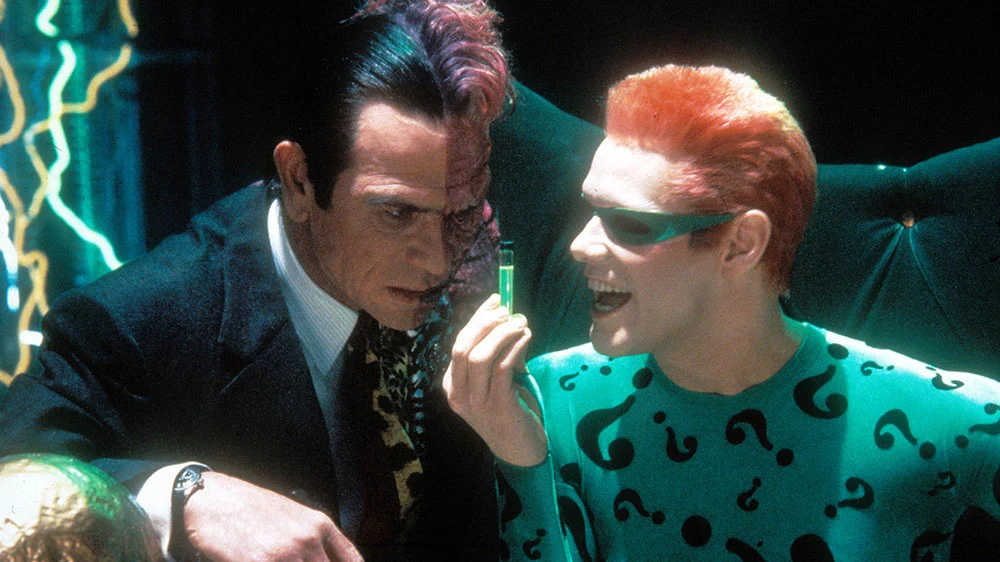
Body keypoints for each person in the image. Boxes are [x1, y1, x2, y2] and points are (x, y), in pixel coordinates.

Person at [0, 0, 512, 560]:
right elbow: (14, 471)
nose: (438, 262)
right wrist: (183, 496)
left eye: (462, 210)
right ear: (299, 181)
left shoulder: (485, 273)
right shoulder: (135, 322)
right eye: (396, 214)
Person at [445, 64, 1000, 560]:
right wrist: (521, 460)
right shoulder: (545, 400)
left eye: (630, 223)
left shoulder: (949, 419)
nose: (580, 246)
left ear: (740, 244)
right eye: (592, 212)